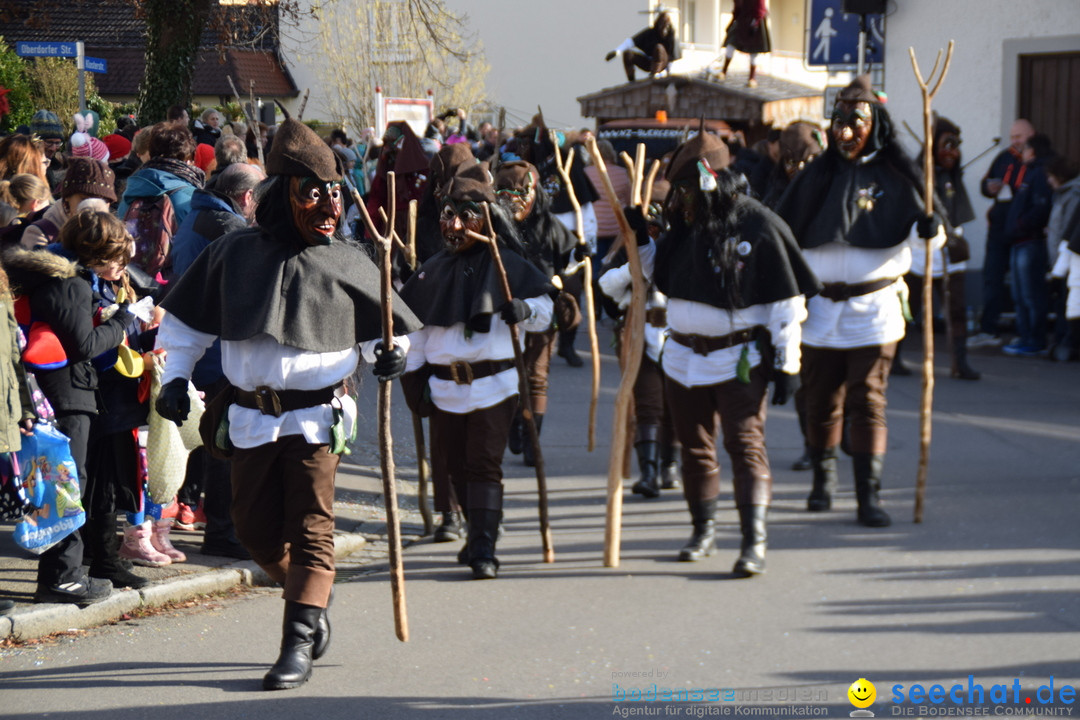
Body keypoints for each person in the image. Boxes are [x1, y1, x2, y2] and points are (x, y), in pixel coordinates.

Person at [154, 118, 420, 690]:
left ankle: (296, 638)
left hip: (317, 418)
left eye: (333, 193)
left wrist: (391, 353)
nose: (327, 205)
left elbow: (388, 328)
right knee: (254, 532)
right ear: (283, 196)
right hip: (249, 417)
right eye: (313, 192)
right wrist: (175, 378)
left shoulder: (347, 258)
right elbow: (184, 323)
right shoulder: (233, 253)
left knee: (312, 525)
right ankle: (310, 596)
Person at [644, 126, 818, 575]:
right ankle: (702, 531)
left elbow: (786, 304)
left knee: (744, 444)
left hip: (739, 358)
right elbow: (654, 272)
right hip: (682, 357)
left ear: (712, 180)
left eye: (687, 190)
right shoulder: (682, 226)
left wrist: (788, 363)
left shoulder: (758, 223)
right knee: (694, 448)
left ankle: (752, 541)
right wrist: (639, 236)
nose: (680, 201)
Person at [776, 75, 945, 528]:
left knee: (868, 400)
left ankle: (868, 496)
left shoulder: (898, 177)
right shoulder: (816, 175)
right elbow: (785, 235)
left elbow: (929, 247)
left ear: (876, 125)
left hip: (874, 314)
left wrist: (929, 231)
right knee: (819, 400)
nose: (845, 132)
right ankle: (822, 482)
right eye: (838, 122)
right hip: (819, 313)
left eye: (856, 122)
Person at [399, 162, 554, 580]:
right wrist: (411, 378)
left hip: (494, 386)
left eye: (463, 215)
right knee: (455, 468)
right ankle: (476, 529)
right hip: (445, 388)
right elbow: (414, 332)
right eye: (447, 214)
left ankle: (484, 546)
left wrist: (527, 308)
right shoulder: (432, 270)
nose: (453, 224)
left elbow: (549, 309)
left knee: (484, 464)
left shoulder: (508, 263)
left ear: (484, 218)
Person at [3, 212, 136, 604]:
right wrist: (125, 321)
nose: (119, 266)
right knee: (66, 484)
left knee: (63, 483)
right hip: (68, 395)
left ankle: (65, 573)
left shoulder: (55, 278)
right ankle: (62, 577)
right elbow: (84, 346)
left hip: (58, 393)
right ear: (94, 252)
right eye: (114, 256)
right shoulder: (70, 285)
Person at [169, 162, 265, 559]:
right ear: (245, 198)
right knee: (226, 444)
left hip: (206, 347)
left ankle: (219, 524)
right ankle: (224, 532)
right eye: (260, 200)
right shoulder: (228, 229)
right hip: (217, 351)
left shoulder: (196, 214)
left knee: (215, 442)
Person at [494, 161, 579, 468]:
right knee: (509, 373)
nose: (513, 200)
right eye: (504, 193)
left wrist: (576, 261)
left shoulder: (551, 226)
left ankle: (531, 438)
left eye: (520, 192)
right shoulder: (495, 227)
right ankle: (516, 421)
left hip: (543, 309)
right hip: (503, 312)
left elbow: (569, 266)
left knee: (537, 376)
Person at [598, 200, 683, 498]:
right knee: (648, 403)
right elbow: (606, 287)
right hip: (639, 334)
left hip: (677, 335)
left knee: (674, 403)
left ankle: (669, 464)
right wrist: (634, 265)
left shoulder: (680, 247)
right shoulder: (626, 249)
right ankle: (648, 470)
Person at [904, 115, 980, 379]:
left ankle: (960, 363)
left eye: (955, 145)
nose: (953, 152)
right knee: (907, 307)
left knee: (956, 307)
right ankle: (893, 359)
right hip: (919, 249)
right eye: (947, 144)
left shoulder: (952, 176)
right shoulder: (917, 174)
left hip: (950, 251)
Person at [972, 119, 1035, 347]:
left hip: (1023, 229)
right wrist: (989, 187)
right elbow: (984, 184)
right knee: (992, 278)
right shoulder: (1003, 157)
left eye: (1019, 136)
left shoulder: (1037, 159)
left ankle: (1027, 334)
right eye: (1013, 137)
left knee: (1023, 284)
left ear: (1031, 135)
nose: (1015, 141)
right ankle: (989, 329)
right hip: (998, 228)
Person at [1000, 133, 1055, 356]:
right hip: (1019, 240)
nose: (1022, 152)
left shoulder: (1039, 173)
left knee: (1031, 294)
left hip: (1030, 242)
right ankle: (1025, 337)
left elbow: (1040, 208)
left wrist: (1021, 224)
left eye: (1025, 148)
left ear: (1034, 151)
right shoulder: (1030, 172)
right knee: (1020, 295)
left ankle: (1034, 340)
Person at [20, 158, 118, 250]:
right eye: (84, 199)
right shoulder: (39, 234)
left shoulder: (114, 236)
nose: (93, 207)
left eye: (103, 201)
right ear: (67, 197)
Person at [1047, 157, 1080, 361]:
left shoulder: (1074, 194)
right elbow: (1070, 236)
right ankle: (1068, 344)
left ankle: (1068, 344)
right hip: (1072, 265)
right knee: (1071, 308)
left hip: (1072, 265)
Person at [604, 9, 680, 82]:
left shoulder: (671, 36)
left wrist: (668, 74)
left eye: (666, 26)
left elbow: (672, 57)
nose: (664, 30)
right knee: (628, 54)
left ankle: (654, 74)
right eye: (662, 26)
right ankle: (631, 81)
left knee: (659, 48)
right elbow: (630, 42)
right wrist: (617, 51)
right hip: (648, 62)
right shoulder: (650, 33)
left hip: (662, 62)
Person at [717, 0, 771, 88]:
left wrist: (755, 23)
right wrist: (731, 23)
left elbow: (760, 8)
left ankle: (752, 78)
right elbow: (737, 9)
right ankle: (723, 71)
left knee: (754, 49)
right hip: (742, 20)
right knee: (731, 43)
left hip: (756, 20)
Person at [29, 110, 66, 194]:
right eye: (49, 142)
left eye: (57, 143)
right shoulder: (24, 169)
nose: (53, 148)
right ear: (35, 141)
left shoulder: (56, 166)